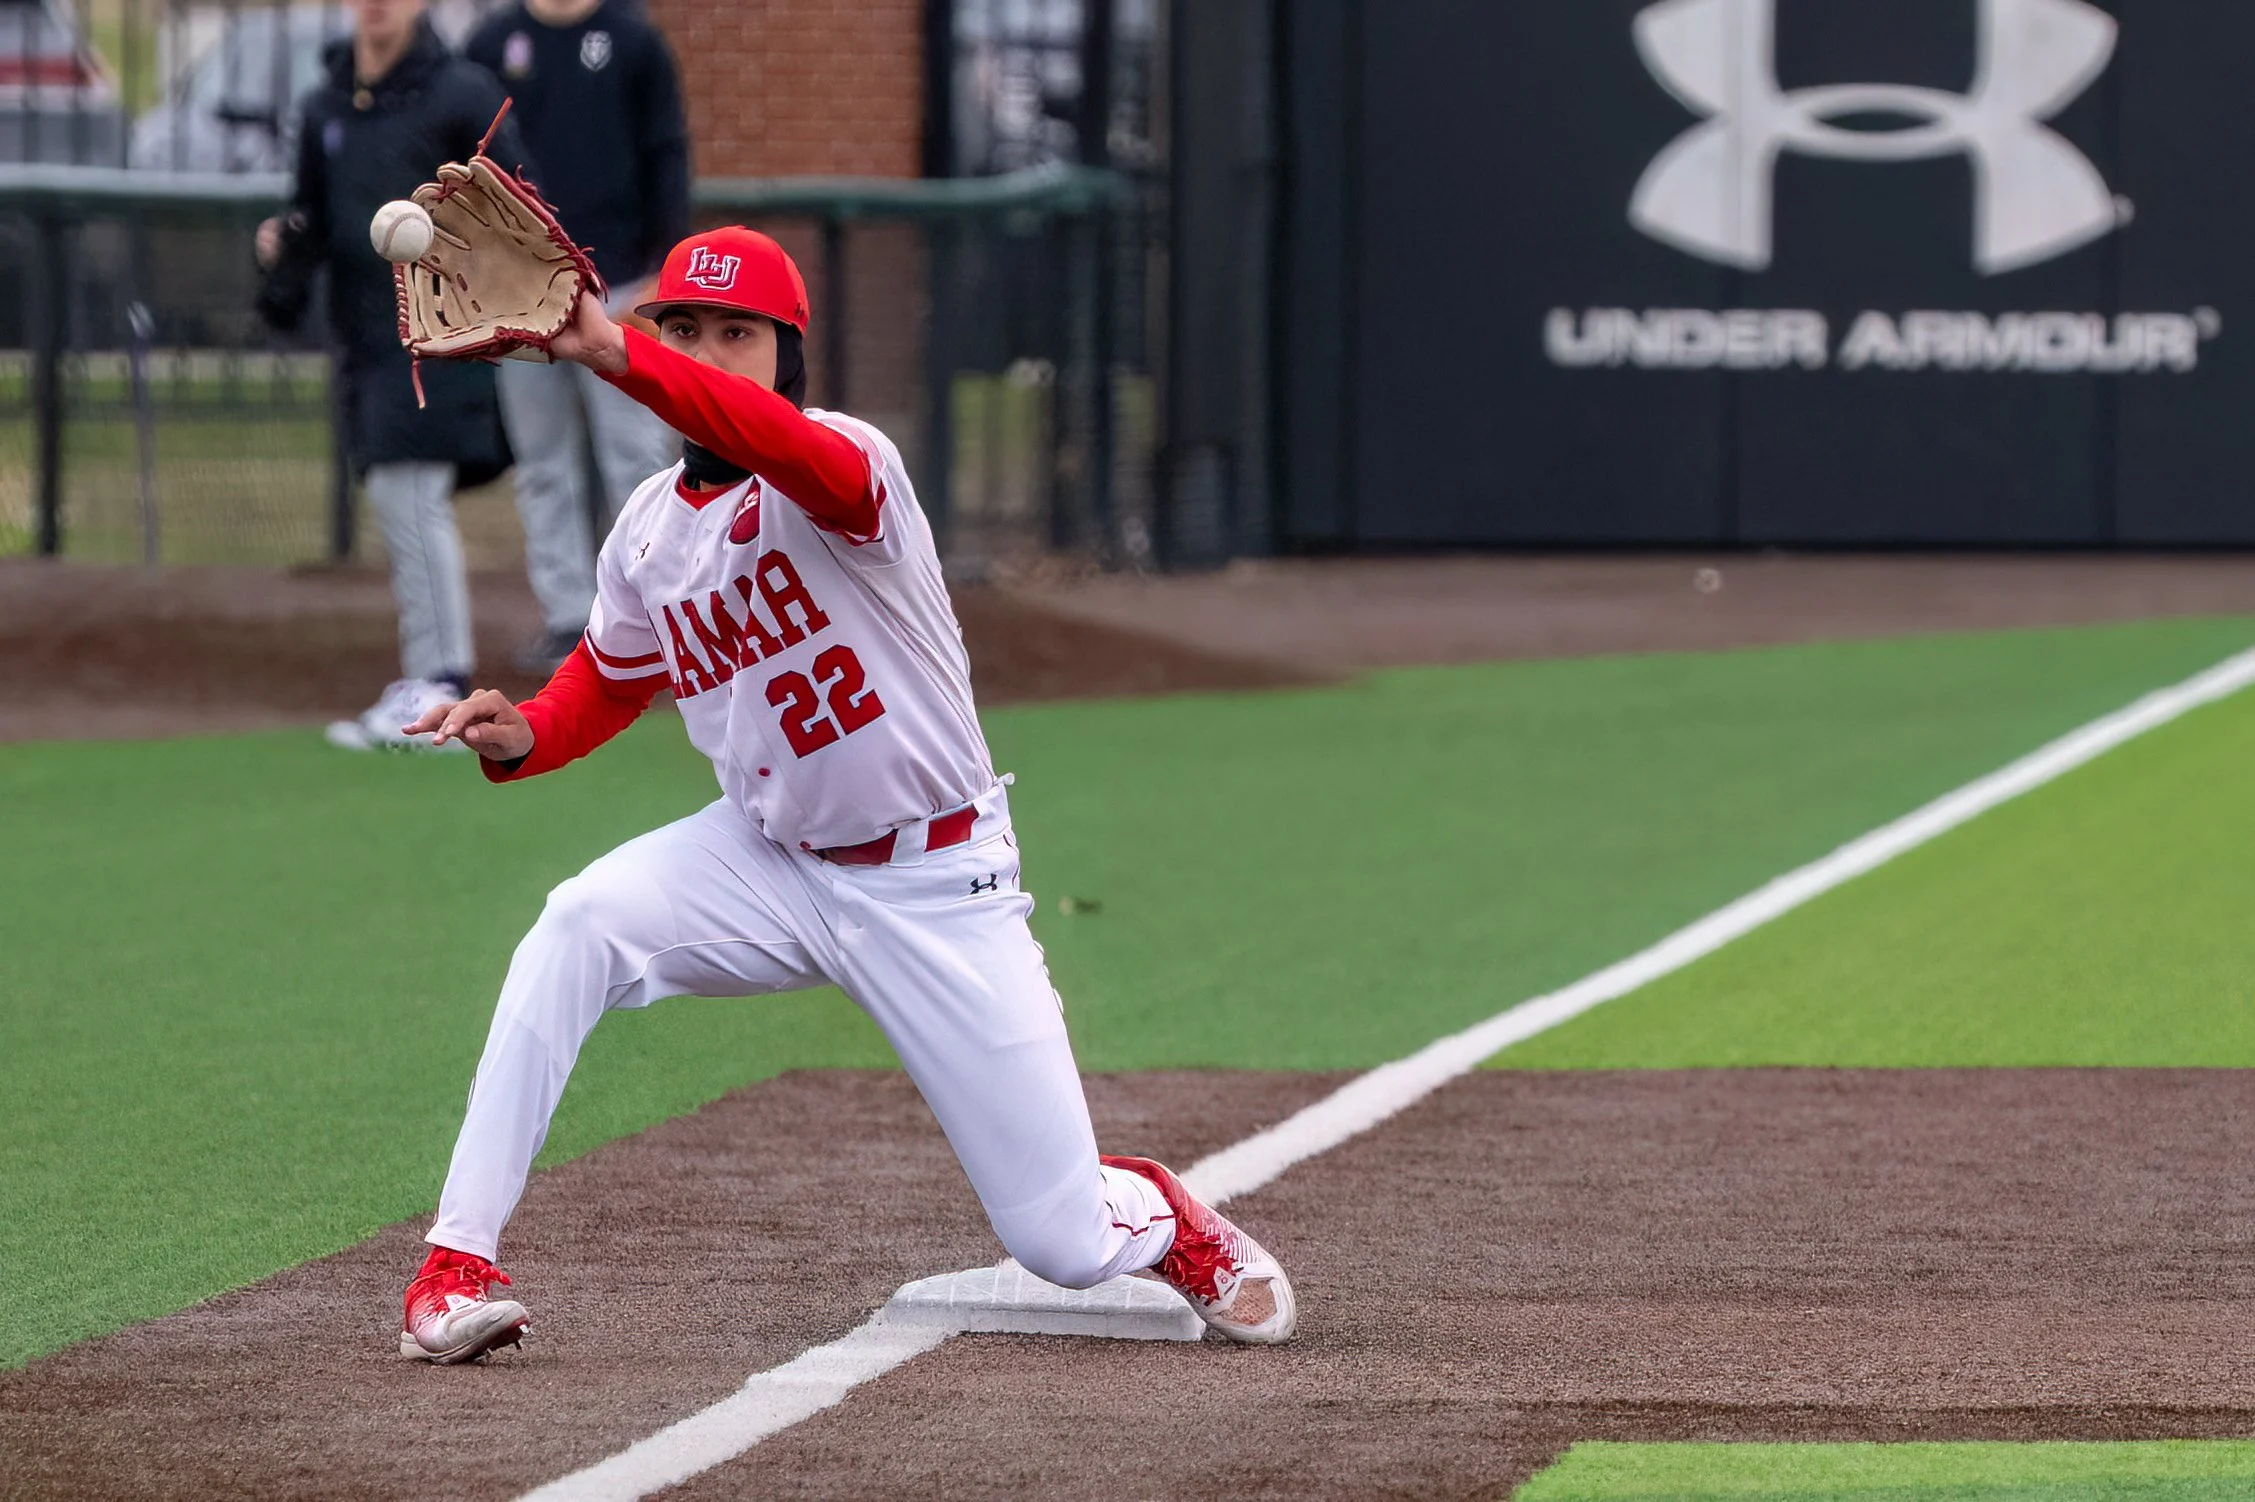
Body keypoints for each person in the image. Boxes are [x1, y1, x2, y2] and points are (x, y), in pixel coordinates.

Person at [391, 227, 1297, 1363]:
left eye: (737, 332)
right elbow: (611, 680)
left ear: (789, 352)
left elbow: (767, 440)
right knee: (577, 921)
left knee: (1061, 1239)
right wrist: (526, 730)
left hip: (935, 879)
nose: (705, 351)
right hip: (768, 861)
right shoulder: (650, 529)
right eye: (683, 328)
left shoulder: (844, 467)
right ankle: (455, 1260)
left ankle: (1156, 1212)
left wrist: (617, 351)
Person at [255, 0, 530, 750]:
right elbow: (310, 218)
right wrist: (281, 257)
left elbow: (519, 206)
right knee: (397, 498)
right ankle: (433, 680)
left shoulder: (463, 93)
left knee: (411, 496)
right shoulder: (325, 104)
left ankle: (441, 683)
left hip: (443, 337)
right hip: (365, 342)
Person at [465, 0, 690, 674]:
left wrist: (661, 273)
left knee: (637, 459)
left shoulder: (633, 41)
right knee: (543, 465)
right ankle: (570, 620)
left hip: (618, 284)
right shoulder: (491, 43)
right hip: (518, 294)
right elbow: (465, 170)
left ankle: (659, 617)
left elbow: (667, 156)